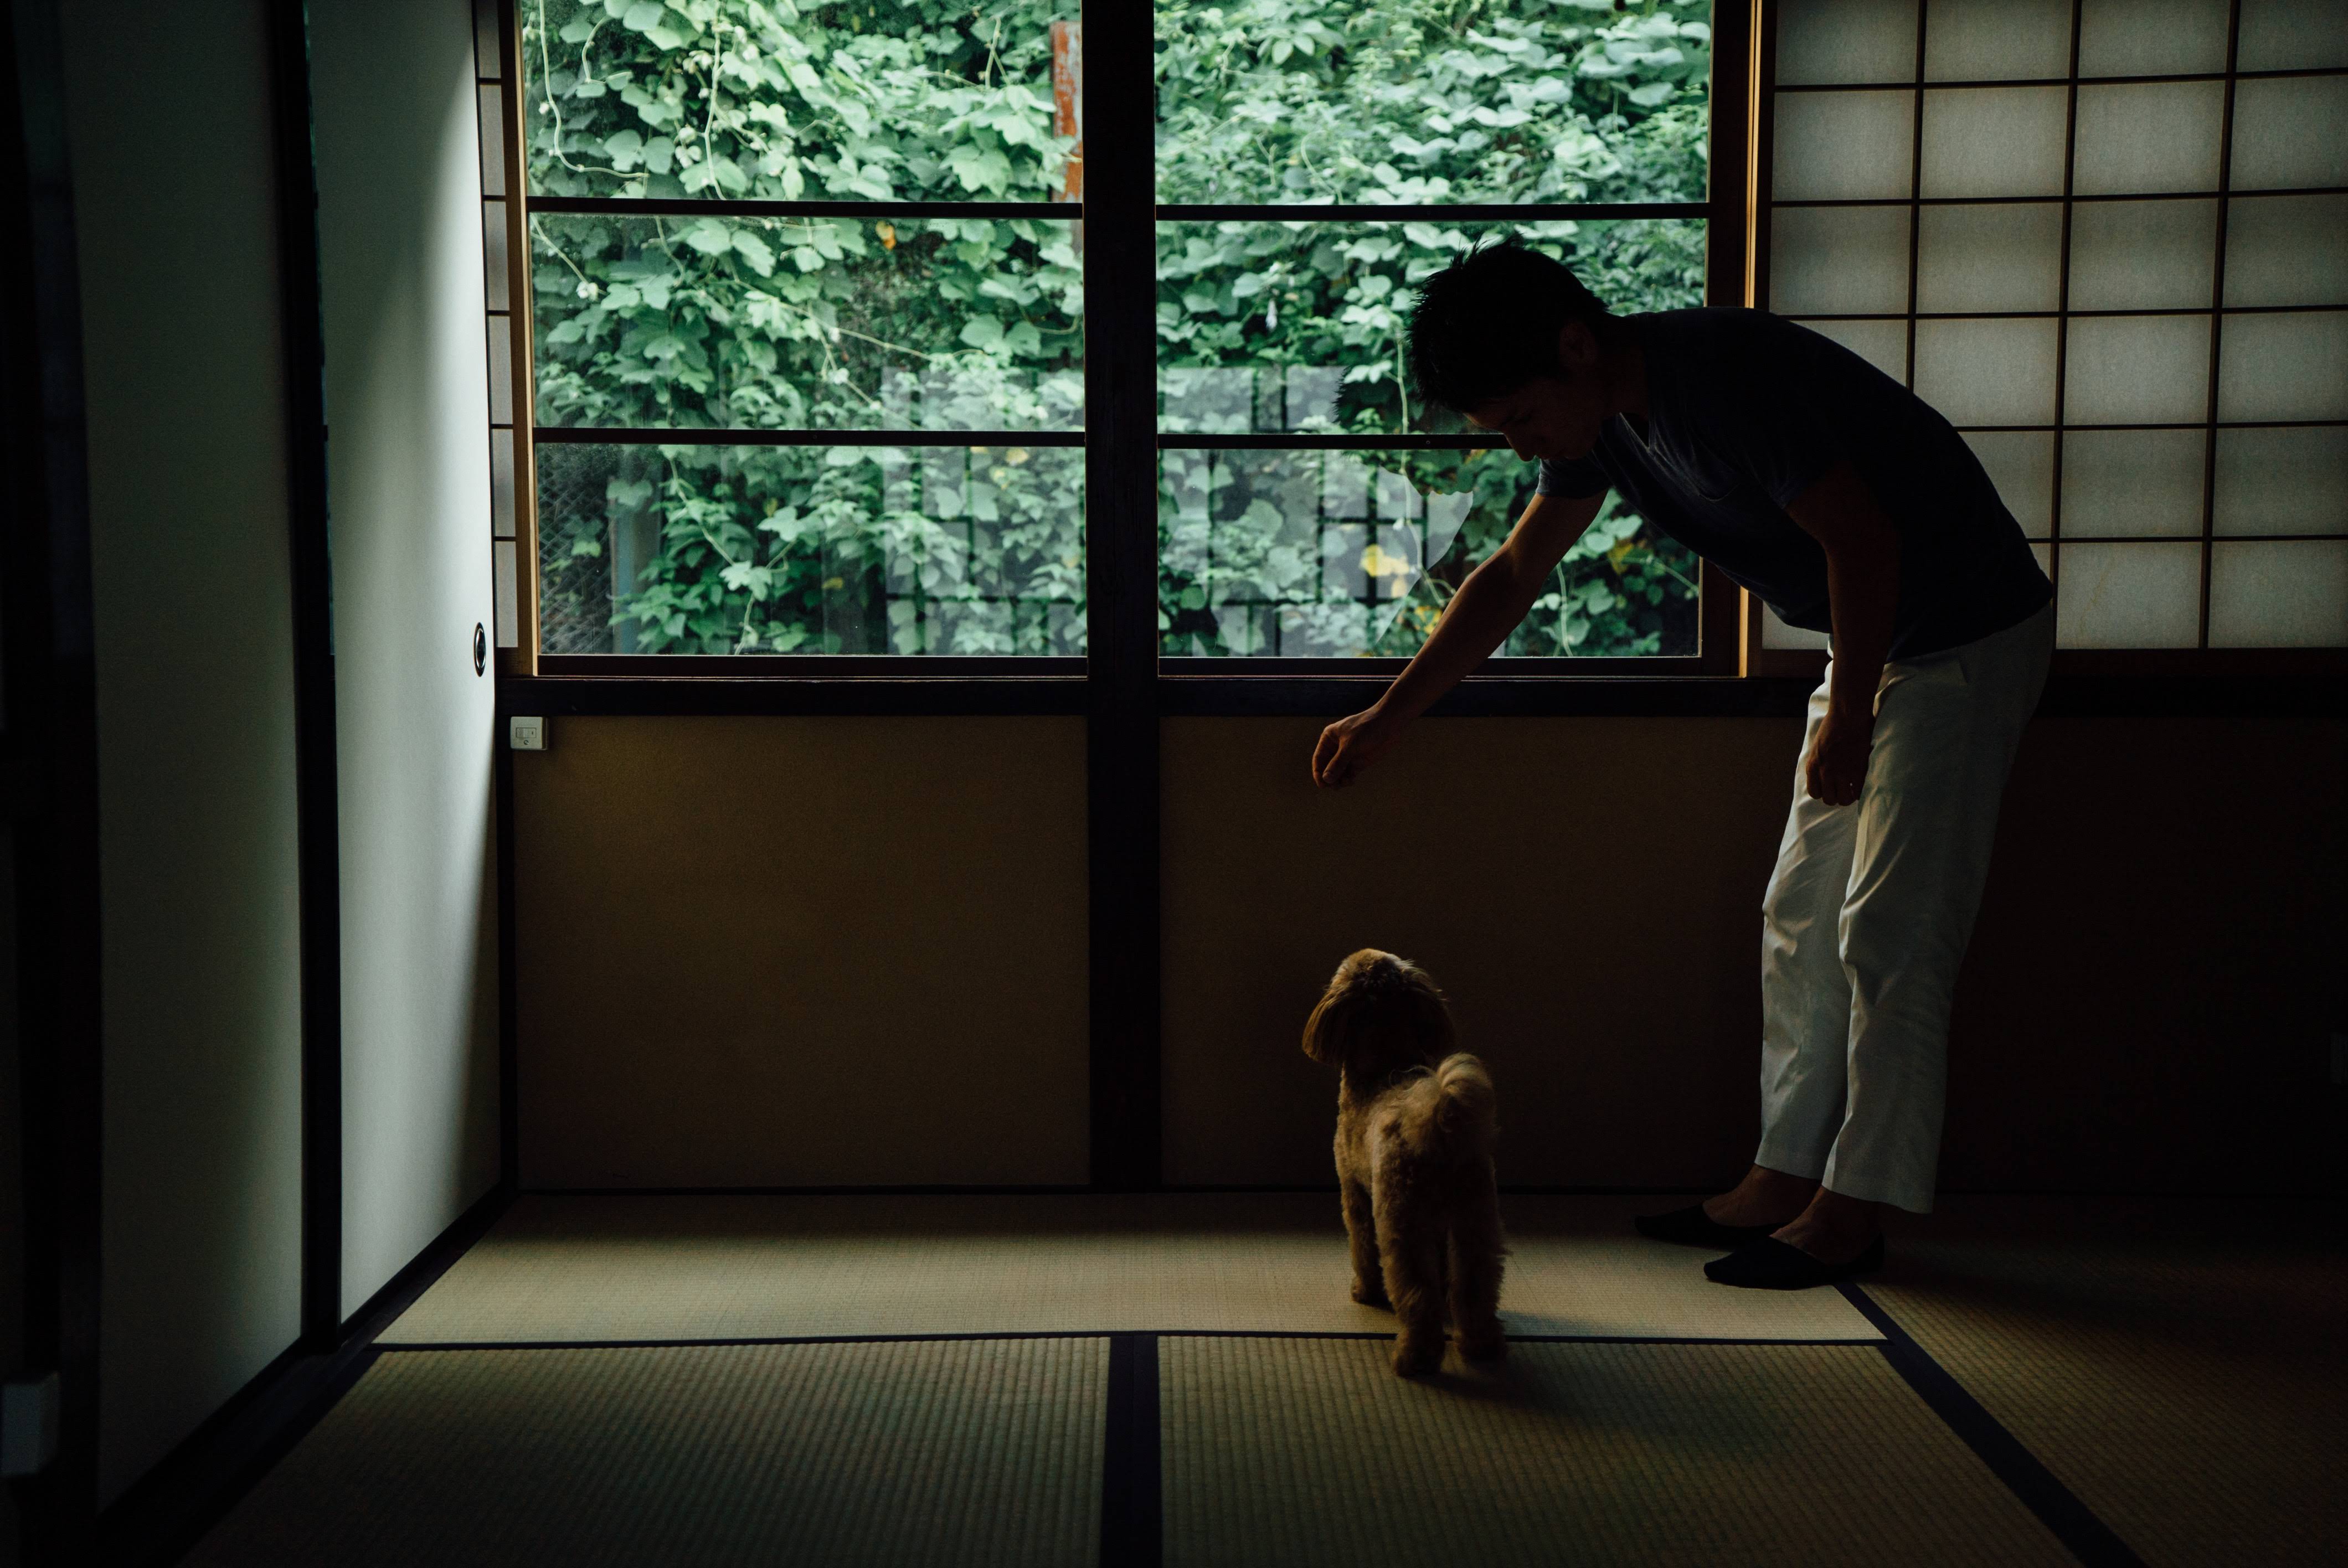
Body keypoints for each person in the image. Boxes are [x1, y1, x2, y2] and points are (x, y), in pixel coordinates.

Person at [1311, 239, 2054, 1290]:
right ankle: (1780, 1178)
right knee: (1801, 916)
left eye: (1521, 417)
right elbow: (1518, 568)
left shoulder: (1722, 376)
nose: (1524, 443)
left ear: (1577, 345)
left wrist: (1847, 720)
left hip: (1962, 636)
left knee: (1893, 932)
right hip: (1870, 648)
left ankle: (1852, 1212)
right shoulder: (1603, 422)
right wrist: (1393, 714)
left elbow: (1863, 541)